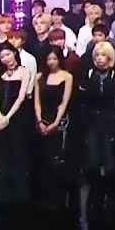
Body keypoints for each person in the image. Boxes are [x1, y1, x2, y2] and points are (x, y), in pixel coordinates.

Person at [82, 41, 115, 207]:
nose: (99, 59)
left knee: (110, 157)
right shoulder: (90, 74)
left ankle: (111, 194)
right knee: (93, 157)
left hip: (110, 118)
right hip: (93, 118)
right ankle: (95, 194)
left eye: (103, 56)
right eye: (97, 56)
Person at [0, 45, 33, 205]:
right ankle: (3, 191)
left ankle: (20, 192)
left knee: (18, 152)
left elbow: (21, 97)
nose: (5, 59)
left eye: (7, 54)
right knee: (3, 153)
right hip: (0, 116)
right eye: (2, 57)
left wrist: (8, 117)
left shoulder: (24, 71)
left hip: (18, 117)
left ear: (14, 53)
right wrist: (0, 116)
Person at [34, 47, 75, 208]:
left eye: (54, 59)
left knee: (58, 156)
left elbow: (64, 101)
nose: (51, 62)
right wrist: (39, 121)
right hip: (42, 119)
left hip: (60, 119)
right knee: (43, 157)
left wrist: (56, 122)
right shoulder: (39, 77)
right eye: (49, 59)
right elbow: (37, 102)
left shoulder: (67, 76)